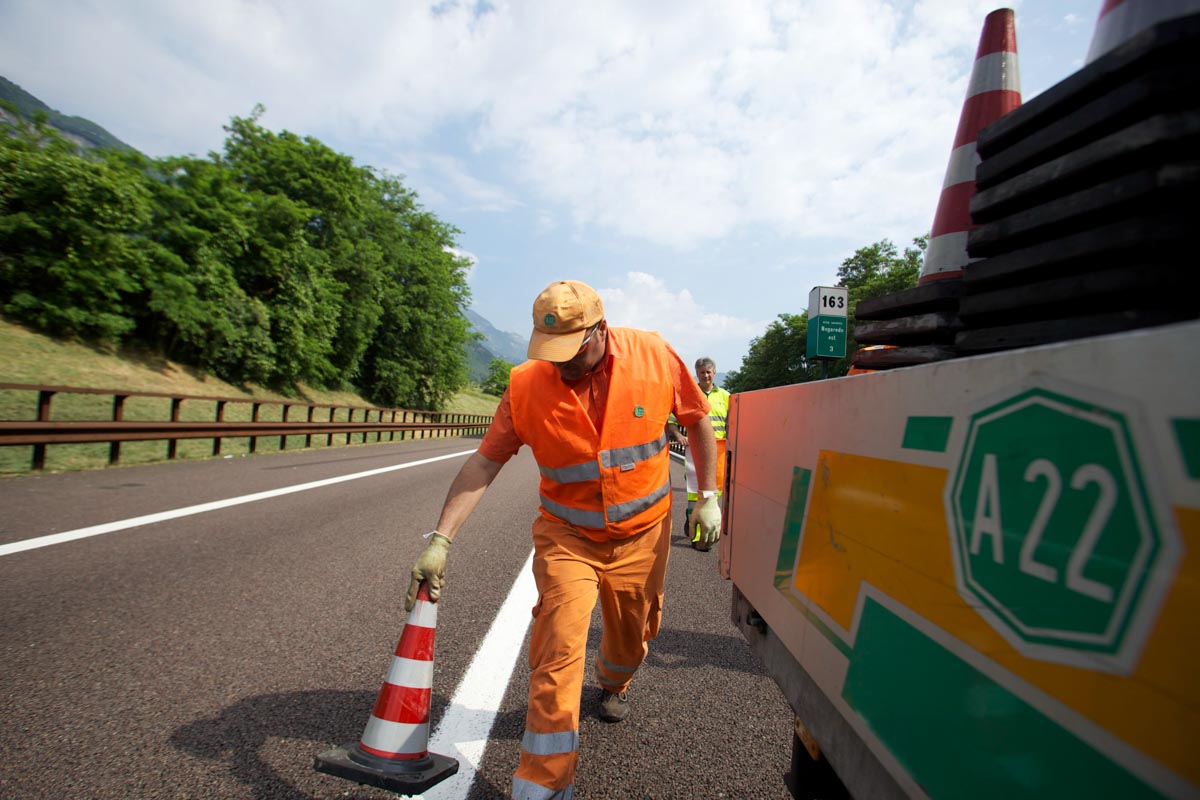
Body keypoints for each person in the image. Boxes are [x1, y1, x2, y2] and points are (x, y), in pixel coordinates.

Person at [404, 280, 721, 800]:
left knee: (632, 638)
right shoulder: (526, 384)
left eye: (572, 350)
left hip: (643, 536)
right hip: (568, 536)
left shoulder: (653, 354)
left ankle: (615, 680)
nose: (561, 363)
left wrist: (707, 495)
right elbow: (485, 462)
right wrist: (441, 539)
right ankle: (543, 785)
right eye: (551, 351)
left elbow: (697, 420)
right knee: (557, 647)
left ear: (601, 330)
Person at [666, 357, 731, 551]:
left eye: (709, 372)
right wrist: (678, 436)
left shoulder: (726, 396)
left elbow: (734, 422)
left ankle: (699, 522)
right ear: (697, 374)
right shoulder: (689, 395)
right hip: (694, 450)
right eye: (702, 372)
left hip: (719, 452)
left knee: (714, 493)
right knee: (695, 492)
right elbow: (672, 421)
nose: (706, 376)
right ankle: (698, 538)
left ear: (714, 372)